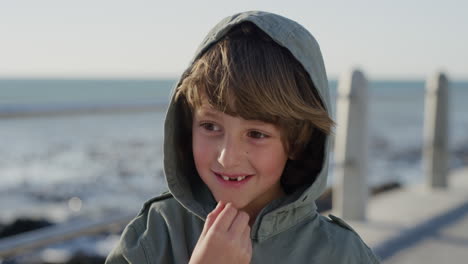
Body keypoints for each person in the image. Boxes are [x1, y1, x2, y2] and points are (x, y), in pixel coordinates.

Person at [105, 10, 380, 263]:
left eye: (256, 134)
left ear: (297, 141)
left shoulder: (341, 255)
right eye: (211, 127)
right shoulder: (156, 234)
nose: (227, 157)